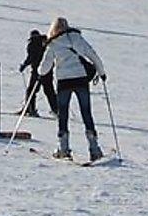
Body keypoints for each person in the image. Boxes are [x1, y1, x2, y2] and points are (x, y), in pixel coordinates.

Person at [40, 16, 104, 162]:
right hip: (81, 79)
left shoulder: (53, 44)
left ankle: (64, 148)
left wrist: (39, 73)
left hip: (64, 82)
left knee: (63, 114)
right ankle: (94, 148)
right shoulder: (77, 38)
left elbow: (44, 68)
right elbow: (91, 54)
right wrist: (101, 72)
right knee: (86, 112)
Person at [18, 29, 59, 118]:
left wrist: (24, 65)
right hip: (48, 70)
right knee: (49, 91)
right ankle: (56, 110)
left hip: (37, 71)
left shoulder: (32, 44)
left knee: (31, 90)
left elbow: (31, 57)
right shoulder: (46, 43)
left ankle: (30, 109)